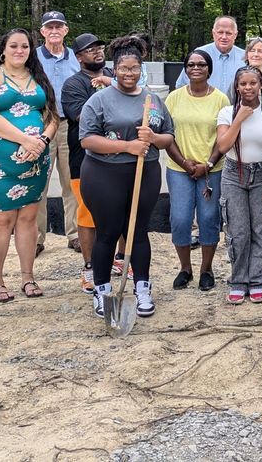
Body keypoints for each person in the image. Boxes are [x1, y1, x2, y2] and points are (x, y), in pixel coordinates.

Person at [79, 36, 175, 318]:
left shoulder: (153, 100)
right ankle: (103, 289)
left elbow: (169, 136)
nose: (129, 74)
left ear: (141, 69)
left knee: (138, 232)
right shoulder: (100, 100)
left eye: (134, 69)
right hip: (104, 174)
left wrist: (154, 138)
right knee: (107, 233)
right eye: (124, 69)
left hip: (144, 173)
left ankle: (142, 288)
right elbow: (87, 139)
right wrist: (128, 146)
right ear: (114, 70)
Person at [0, 28, 59, 302]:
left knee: (29, 219)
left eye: (24, 47)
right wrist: (24, 139)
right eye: (14, 46)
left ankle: (27, 276)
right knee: (1, 220)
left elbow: (53, 116)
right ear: (3, 49)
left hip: (35, 161)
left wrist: (41, 142)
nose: (19, 51)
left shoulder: (39, 77)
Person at [165, 49, 230, 291]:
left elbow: (223, 137)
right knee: (180, 219)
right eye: (190, 64)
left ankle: (206, 269)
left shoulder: (221, 99)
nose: (195, 68)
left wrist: (209, 164)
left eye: (201, 64)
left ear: (209, 69)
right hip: (179, 168)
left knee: (208, 218)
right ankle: (185, 268)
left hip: (211, 170)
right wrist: (184, 162)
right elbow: (167, 133)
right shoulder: (174, 98)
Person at [217, 66, 262, 304]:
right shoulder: (227, 112)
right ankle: (238, 280)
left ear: (261, 85)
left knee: (260, 231)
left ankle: (257, 279)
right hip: (234, 173)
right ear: (237, 86)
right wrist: (239, 119)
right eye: (243, 84)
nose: (248, 88)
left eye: (253, 83)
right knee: (238, 231)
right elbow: (223, 146)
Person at [61, 33, 115, 294]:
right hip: (85, 160)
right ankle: (90, 266)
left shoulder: (115, 76)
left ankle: (118, 260)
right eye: (90, 49)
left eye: (99, 47)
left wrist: (112, 83)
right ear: (79, 57)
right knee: (87, 213)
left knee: (122, 210)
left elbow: (138, 99)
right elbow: (84, 117)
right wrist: (116, 96)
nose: (97, 52)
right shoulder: (73, 84)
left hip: (119, 158)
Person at [35, 10, 82, 254]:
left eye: (58, 27)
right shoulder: (32, 58)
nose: (54, 31)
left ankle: (75, 234)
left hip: (68, 125)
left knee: (71, 181)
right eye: (49, 27)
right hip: (40, 125)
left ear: (66, 30)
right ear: (42, 31)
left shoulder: (76, 58)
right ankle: (36, 239)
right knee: (38, 183)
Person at [175, 15, 244, 97]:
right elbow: (181, 85)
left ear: (235, 35)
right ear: (213, 33)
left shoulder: (244, 57)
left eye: (228, 33)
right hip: (203, 107)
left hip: (236, 108)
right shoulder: (199, 54)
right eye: (220, 32)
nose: (224, 37)